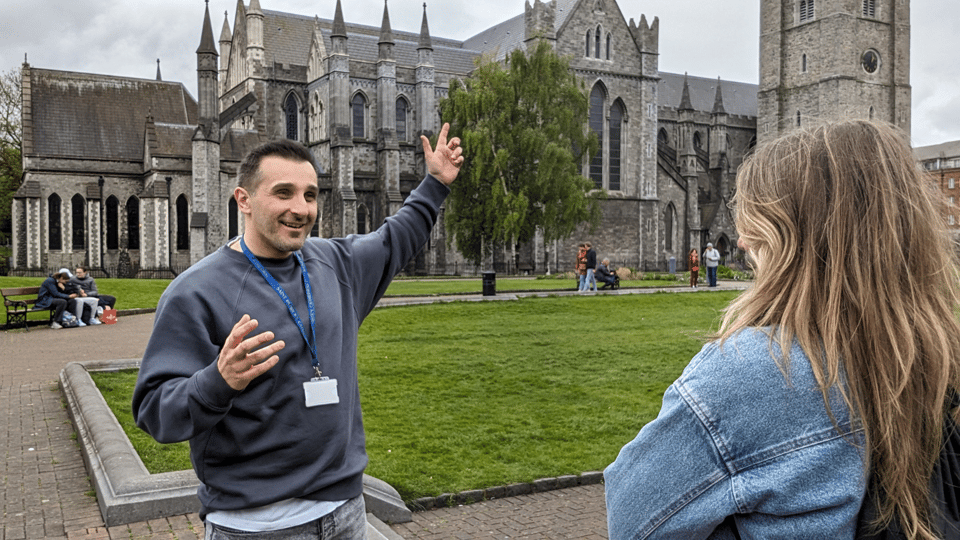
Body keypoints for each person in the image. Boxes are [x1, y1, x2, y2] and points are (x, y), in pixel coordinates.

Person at [604, 120, 960, 539]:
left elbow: (633, 523)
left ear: (794, 236)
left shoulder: (755, 371)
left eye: (757, 222)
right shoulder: (935, 353)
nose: (742, 243)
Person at [132, 124, 463, 538]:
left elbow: (395, 239)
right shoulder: (196, 292)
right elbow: (153, 411)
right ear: (244, 200)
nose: (302, 208)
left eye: (310, 195)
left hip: (345, 513)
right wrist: (218, 382)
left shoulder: (336, 264)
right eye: (283, 192)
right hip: (255, 526)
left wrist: (434, 184)